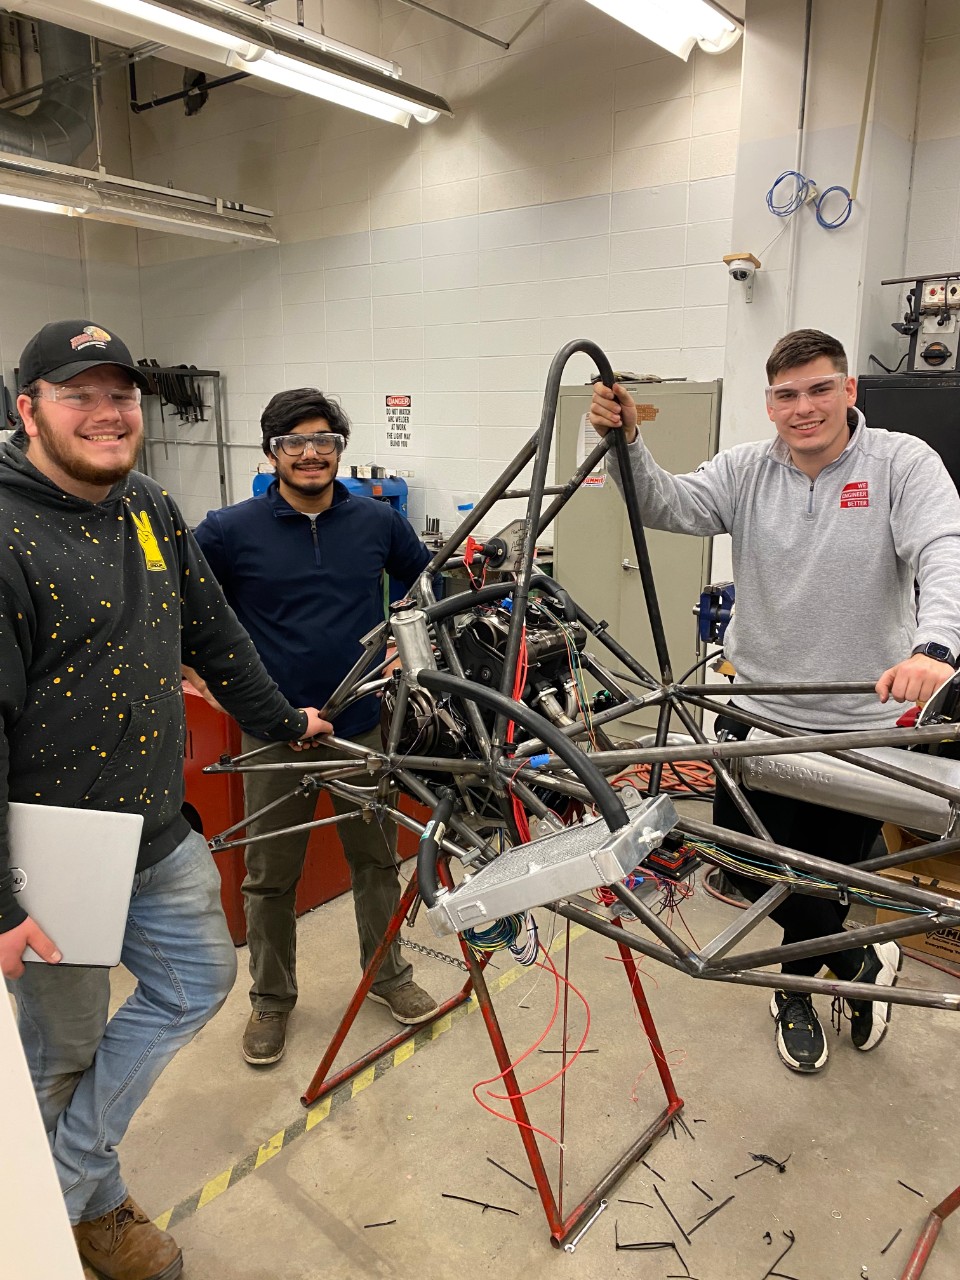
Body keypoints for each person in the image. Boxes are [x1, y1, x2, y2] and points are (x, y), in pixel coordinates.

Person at [0, 320, 329, 1280]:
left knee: (196, 980)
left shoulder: (144, 503)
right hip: (51, 849)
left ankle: (62, 1180)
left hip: (153, 826)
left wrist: (278, 720)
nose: (108, 415)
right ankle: (68, 1217)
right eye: (79, 396)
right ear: (28, 410)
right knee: (58, 1049)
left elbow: (212, 630)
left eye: (121, 397)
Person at [589, 327, 960, 1074]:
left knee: (824, 872)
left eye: (821, 388)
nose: (805, 407)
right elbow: (669, 504)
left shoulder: (900, 463)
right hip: (757, 714)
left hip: (858, 728)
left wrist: (936, 646)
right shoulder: (746, 470)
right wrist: (629, 442)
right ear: (769, 404)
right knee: (753, 867)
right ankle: (859, 964)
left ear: (849, 390)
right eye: (787, 395)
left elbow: (943, 545)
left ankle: (793, 991)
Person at [193, 388, 439, 1068]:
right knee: (270, 876)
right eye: (294, 442)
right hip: (273, 732)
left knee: (375, 861)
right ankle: (271, 1000)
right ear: (271, 452)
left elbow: (427, 588)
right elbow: (182, 611)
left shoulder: (375, 524)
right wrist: (211, 684)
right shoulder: (227, 530)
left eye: (324, 440)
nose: (310, 453)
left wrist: (405, 644)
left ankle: (389, 977)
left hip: (359, 726)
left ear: (340, 448)